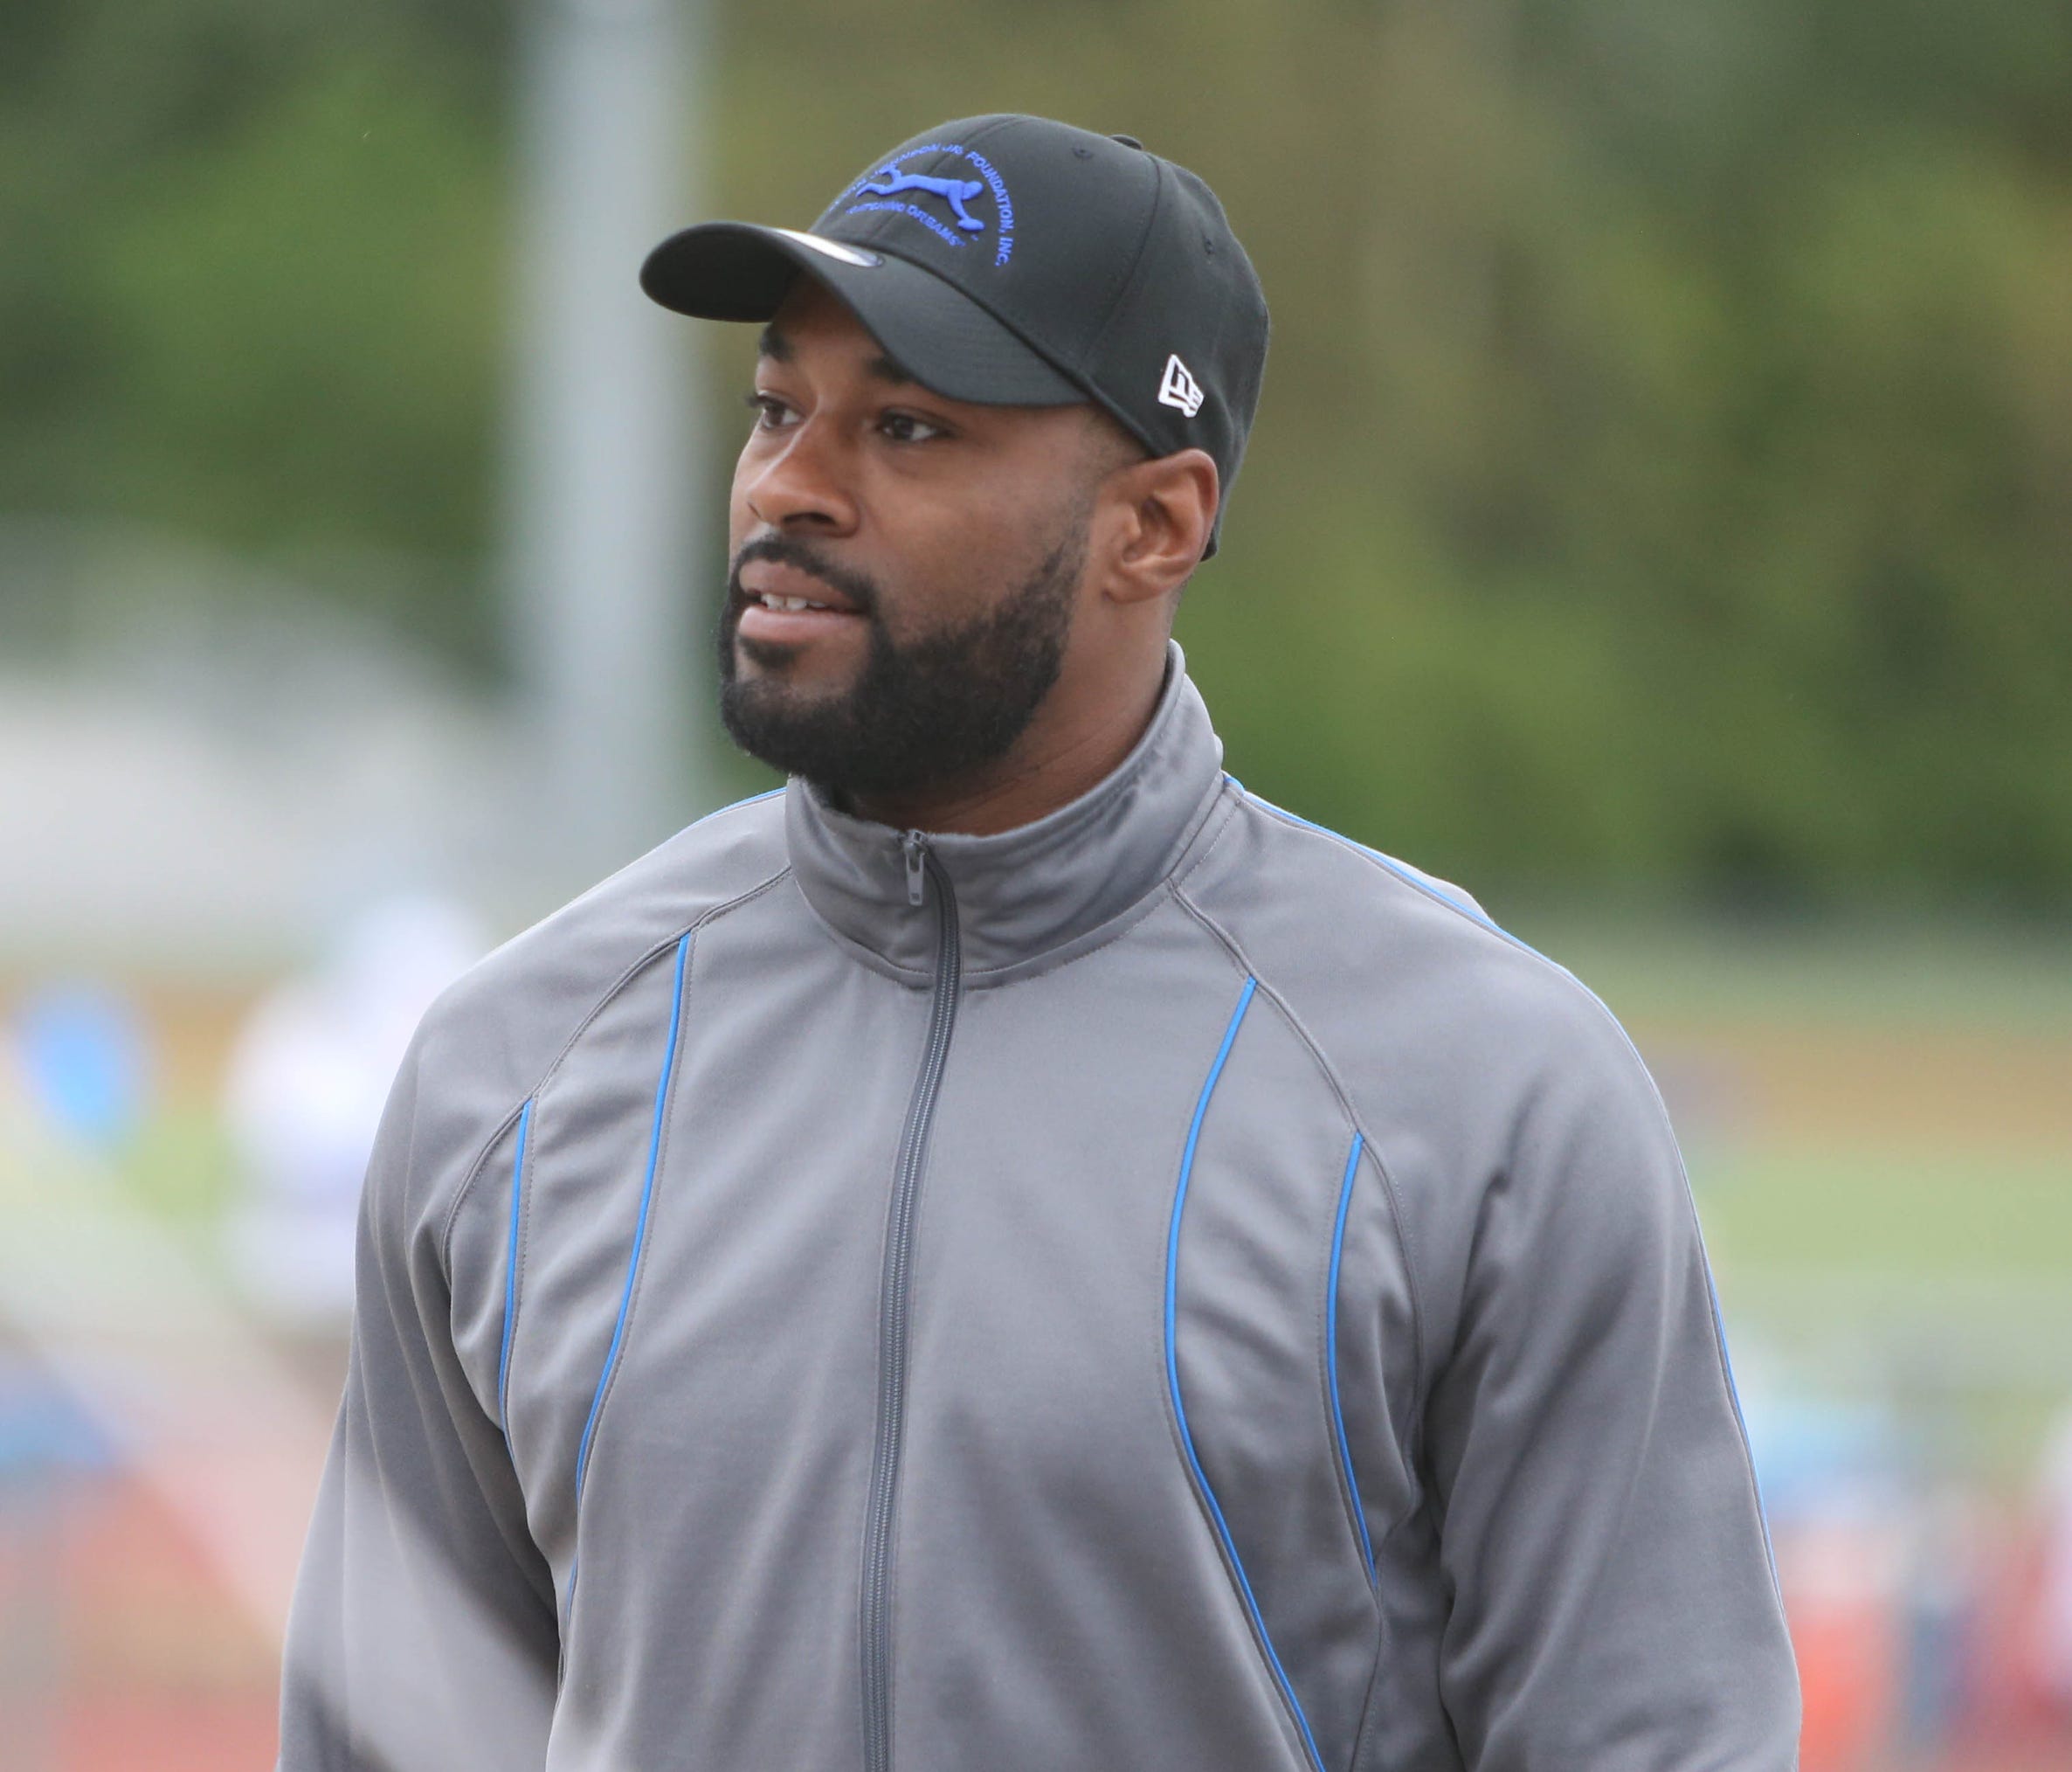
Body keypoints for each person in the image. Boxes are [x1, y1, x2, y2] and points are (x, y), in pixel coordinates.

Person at [279, 114, 1799, 1770]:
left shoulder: (1482, 1086)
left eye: (909, 427)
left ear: (1154, 525)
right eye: (778, 408)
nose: (790, 486)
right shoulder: (517, 1061)